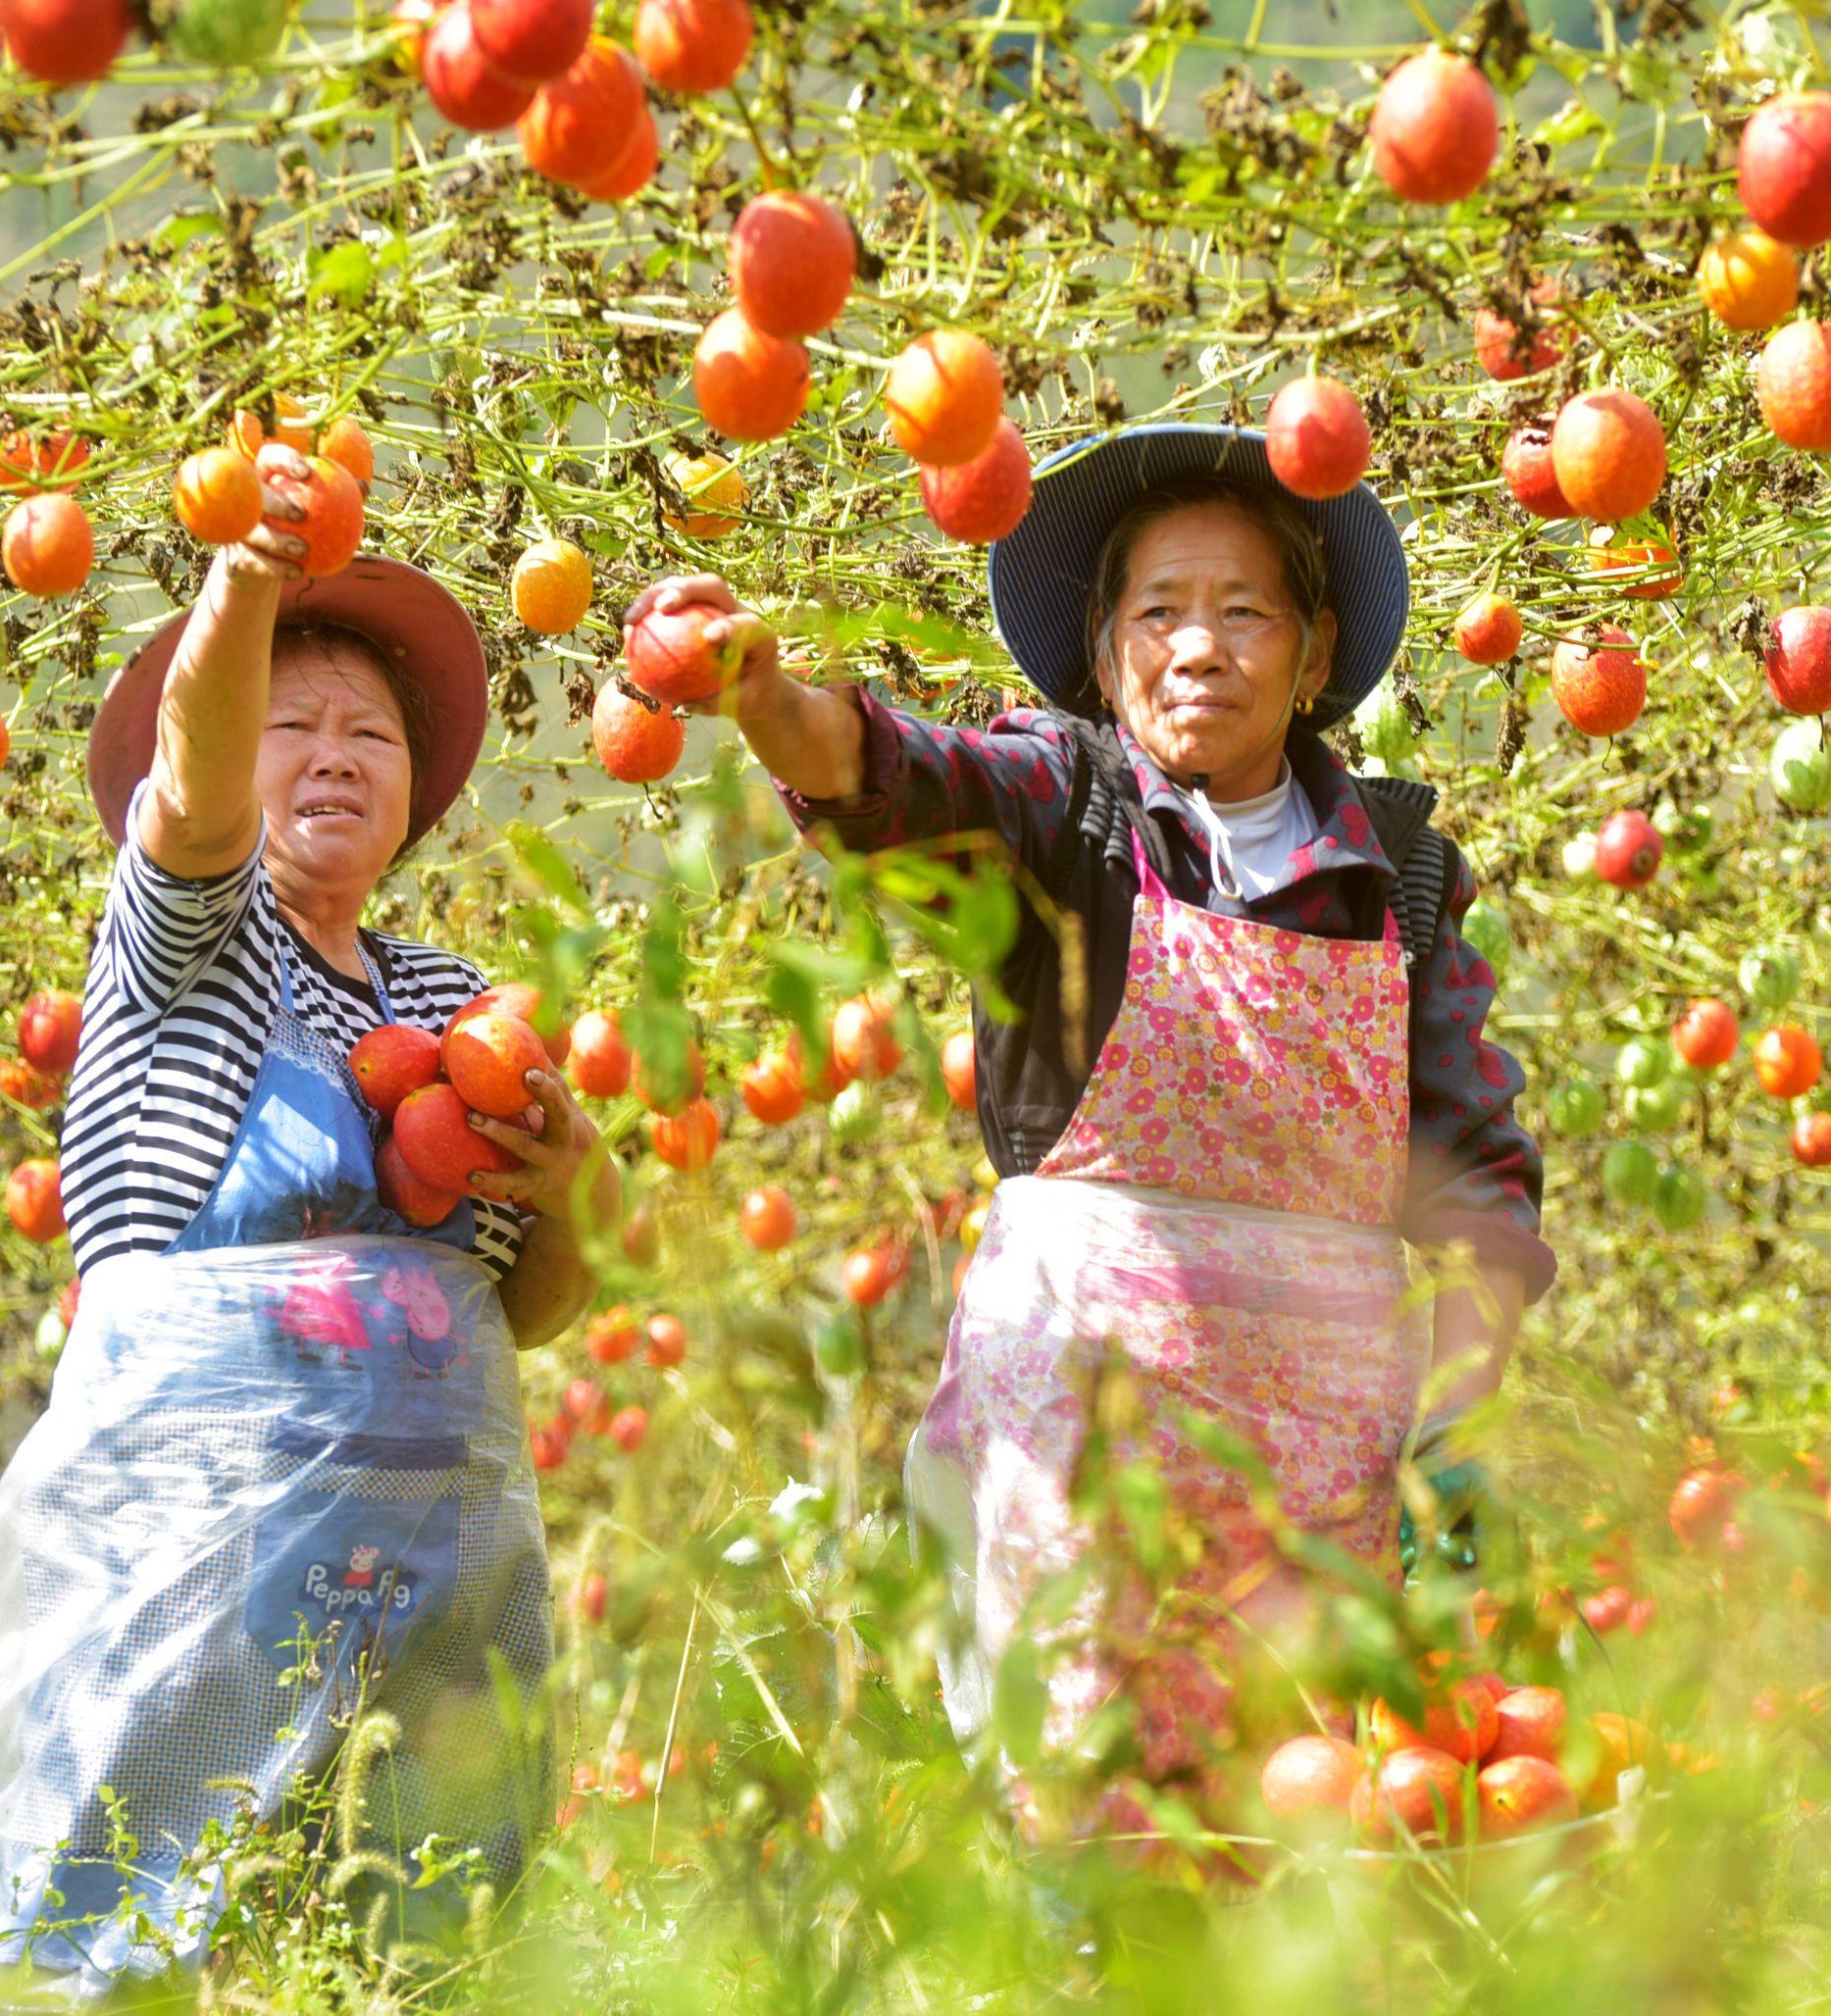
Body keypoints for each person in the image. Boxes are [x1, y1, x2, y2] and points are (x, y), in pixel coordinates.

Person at [626, 422, 1553, 1841]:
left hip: (1322, 1478)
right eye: (1162, 612)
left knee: (1305, 1833)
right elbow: (891, 776)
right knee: (1081, 1825)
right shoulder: (1068, 812)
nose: (1201, 647)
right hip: (1076, 1448)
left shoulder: (1401, 874)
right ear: (1106, 654)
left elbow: (1480, 1185)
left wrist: (1456, 1416)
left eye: (1247, 612)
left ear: (1313, 660)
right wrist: (760, 695)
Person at [0, 466, 607, 2016]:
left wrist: (574, 1187)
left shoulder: (449, 1003)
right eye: (293, 724)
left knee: (409, 1954)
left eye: (369, 733)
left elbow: (531, 1306)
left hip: (436, 1570)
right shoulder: (185, 942)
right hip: (195, 1554)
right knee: (131, 1922)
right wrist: (243, 580)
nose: (334, 755)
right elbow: (192, 794)